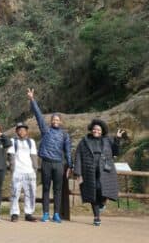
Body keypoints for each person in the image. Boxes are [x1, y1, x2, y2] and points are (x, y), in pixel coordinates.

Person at [27, 88, 72, 223]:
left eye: (57, 119)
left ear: (61, 122)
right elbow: (39, 116)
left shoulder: (65, 135)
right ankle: (46, 213)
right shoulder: (45, 130)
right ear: (51, 121)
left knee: (57, 189)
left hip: (59, 163)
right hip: (46, 162)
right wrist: (32, 99)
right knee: (46, 188)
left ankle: (56, 214)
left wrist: (70, 165)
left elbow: (68, 150)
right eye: (53, 119)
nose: (55, 121)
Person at [74, 119, 124, 226]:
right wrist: (78, 172)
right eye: (94, 129)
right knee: (93, 193)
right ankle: (96, 217)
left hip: (105, 172)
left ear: (102, 131)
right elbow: (78, 156)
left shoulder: (107, 140)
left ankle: (102, 204)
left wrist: (118, 139)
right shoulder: (84, 141)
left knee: (102, 190)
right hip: (89, 172)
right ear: (91, 129)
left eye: (99, 129)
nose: (96, 131)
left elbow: (116, 152)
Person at [7, 122, 39, 222]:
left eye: (24, 129)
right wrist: (12, 169)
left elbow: (34, 156)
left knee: (30, 192)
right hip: (17, 171)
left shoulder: (31, 142)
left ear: (26, 131)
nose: (22, 131)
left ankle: (28, 213)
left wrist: (35, 169)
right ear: (16, 131)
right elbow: (11, 156)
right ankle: (14, 213)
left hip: (29, 171)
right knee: (15, 192)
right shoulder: (13, 141)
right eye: (19, 129)